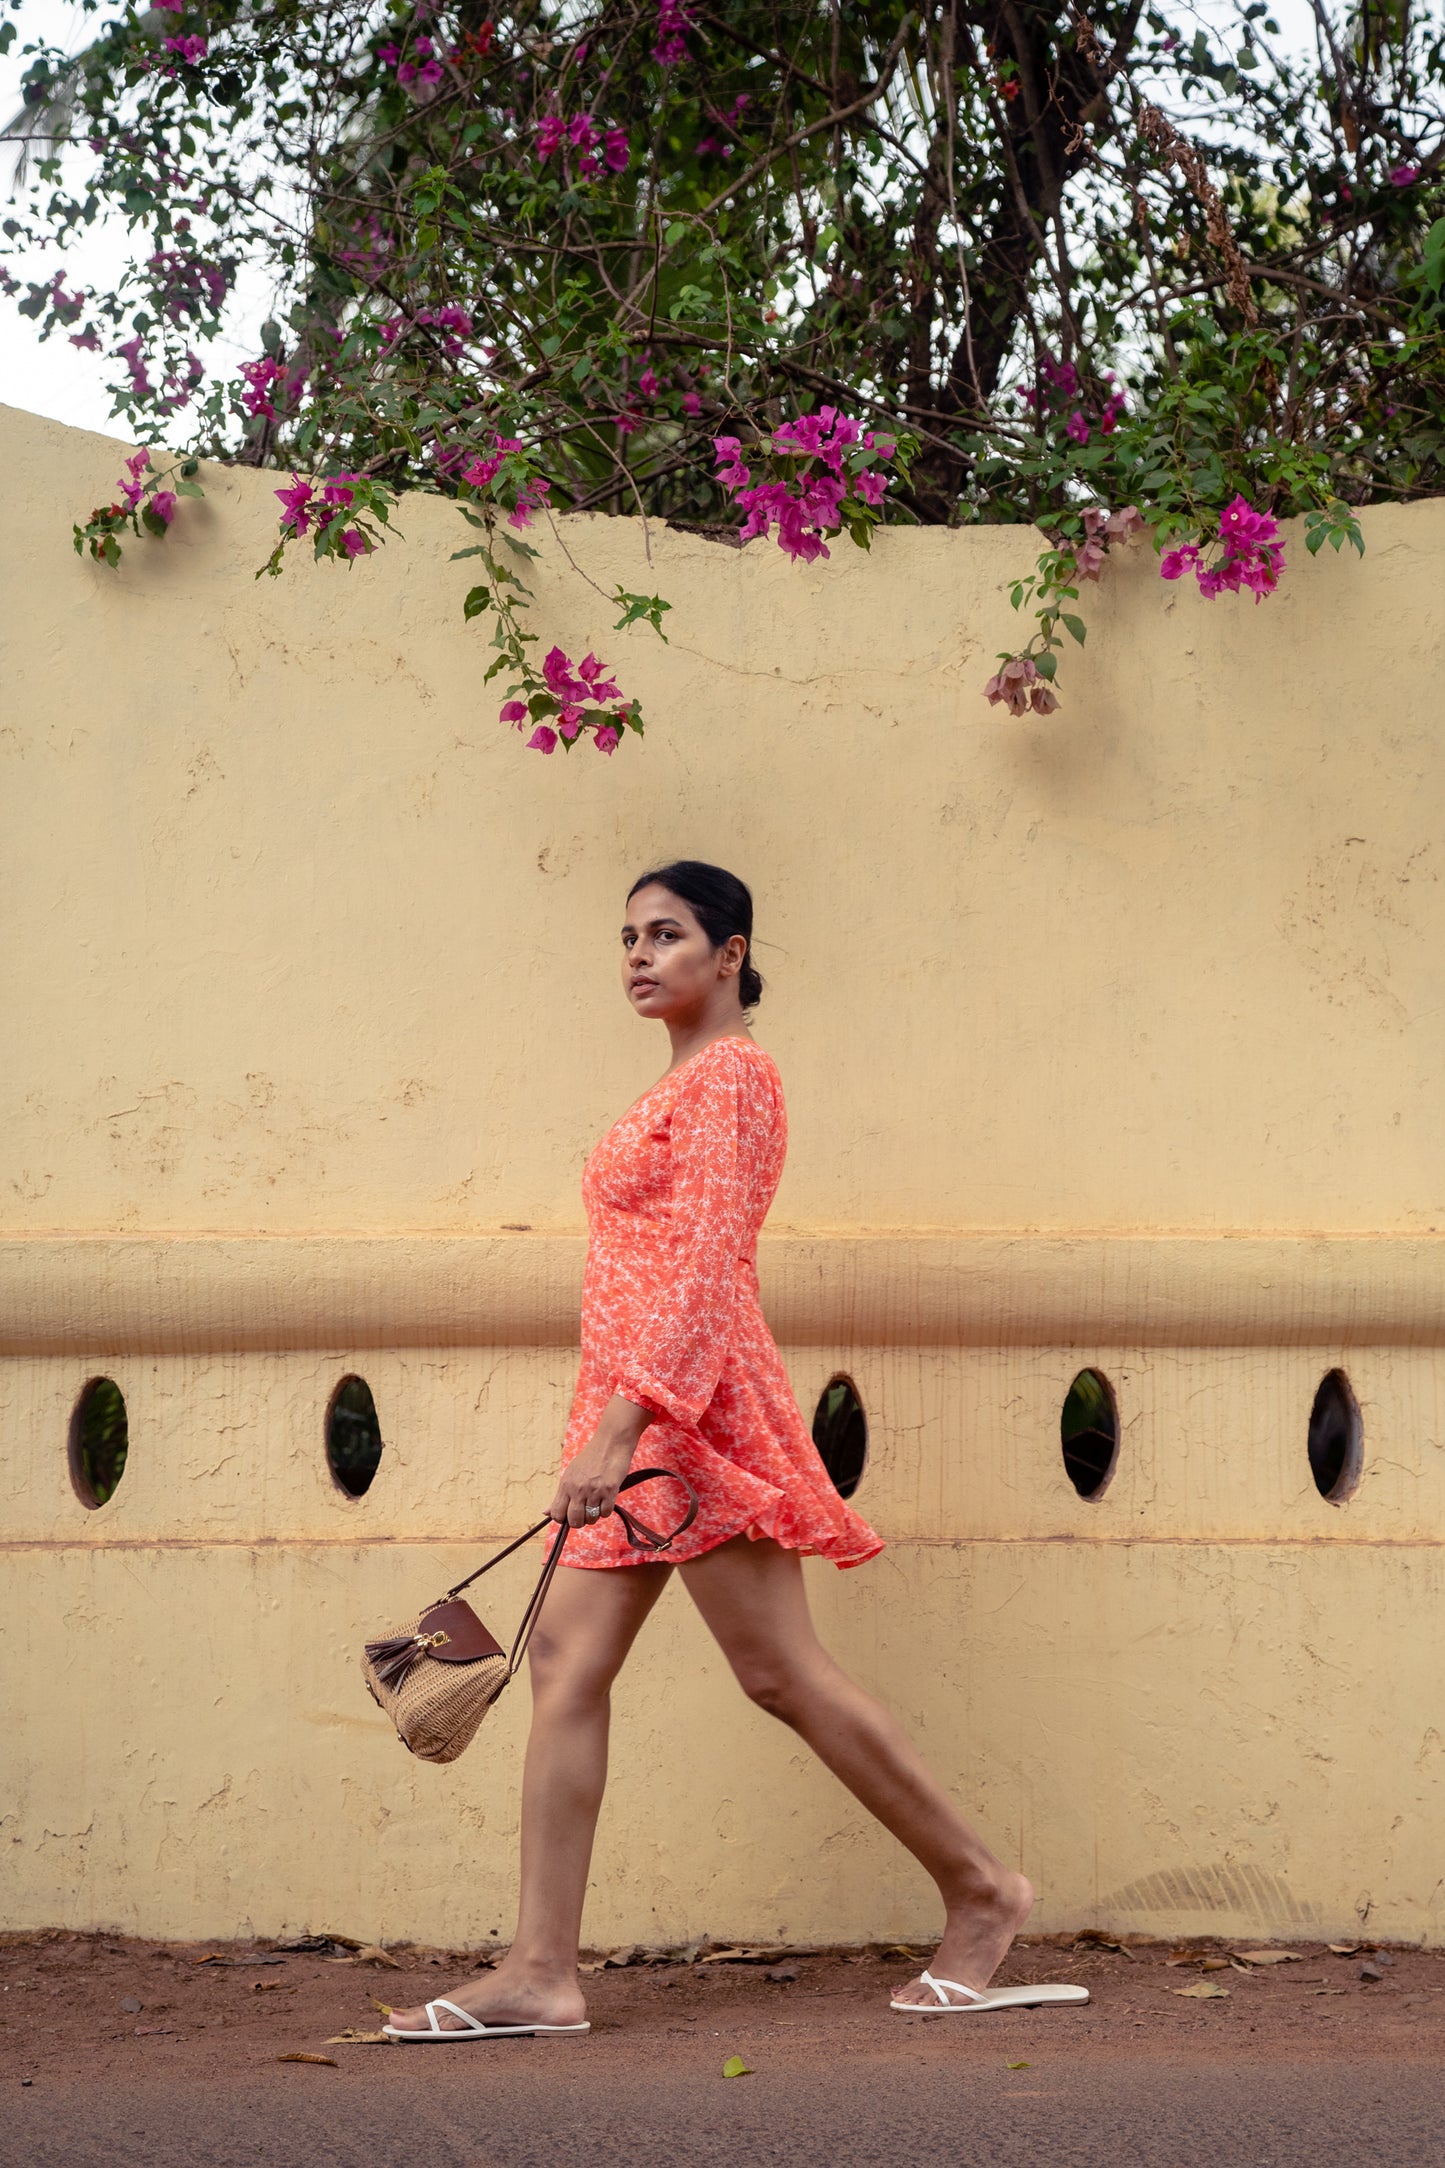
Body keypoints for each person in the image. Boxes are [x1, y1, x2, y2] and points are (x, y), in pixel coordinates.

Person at [385, 861, 1080, 2041]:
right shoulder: (679, 1082)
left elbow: (706, 1271)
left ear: (731, 951)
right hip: (633, 1416)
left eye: (667, 933)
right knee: (562, 1662)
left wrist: (624, 1422)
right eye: (626, 937)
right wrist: (607, 1418)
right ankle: (541, 1970)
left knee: (778, 1671)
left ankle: (982, 1890)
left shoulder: (736, 1078)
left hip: (688, 1416)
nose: (639, 954)